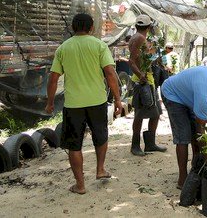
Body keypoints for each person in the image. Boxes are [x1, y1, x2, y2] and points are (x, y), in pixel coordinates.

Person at [45, 13, 122, 195]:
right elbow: (110, 74)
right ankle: (100, 169)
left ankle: (80, 185)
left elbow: (53, 79)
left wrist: (49, 103)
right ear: (91, 28)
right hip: (97, 101)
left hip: (73, 104)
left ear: (73, 27)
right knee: (101, 136)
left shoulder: (63, 48)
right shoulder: (99, 45)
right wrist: (118, 99)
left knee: (74, 145)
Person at [128, 14, 167, 156]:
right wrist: (140, 75)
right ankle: (135, 145)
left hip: (147, 79)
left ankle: (150, 143)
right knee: (139, 114)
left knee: (155, 113)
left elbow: (140, 58)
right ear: (149, 27)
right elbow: (131, 61)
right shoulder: (139, 38)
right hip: (143, 81)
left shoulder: (139, 38)